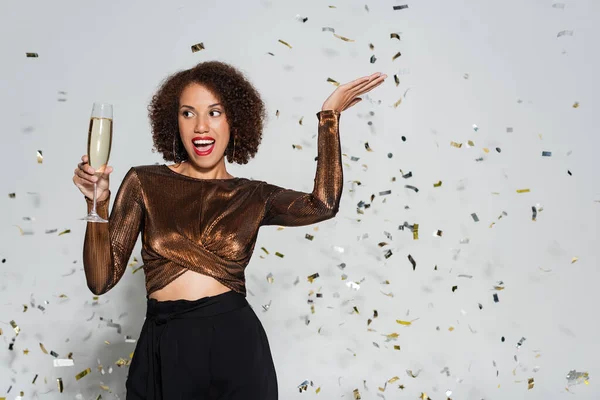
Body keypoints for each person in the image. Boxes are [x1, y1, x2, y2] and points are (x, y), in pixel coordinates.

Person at [72, 60, 386, 399]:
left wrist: (329, 117)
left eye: (215, 113)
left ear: (234, 120)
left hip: (233, 346)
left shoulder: (253, 195)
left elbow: (323, 204)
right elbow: (100, 280)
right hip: (163, 349)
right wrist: (97, 203)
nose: (201, 127)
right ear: (173, 122)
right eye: (188, 114)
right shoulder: (144, 182)